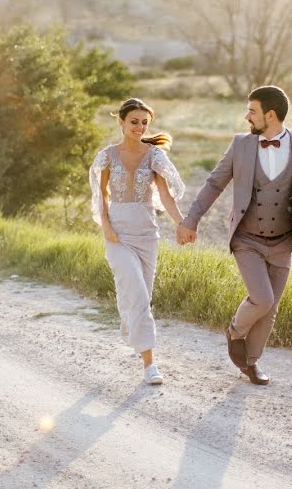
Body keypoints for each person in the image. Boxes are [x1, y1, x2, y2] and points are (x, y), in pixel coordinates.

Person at [176, 86, 292, 385]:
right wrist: (190, 221)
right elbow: (213, 184)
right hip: (248, 239)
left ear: (270, 115)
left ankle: (251, 363)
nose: (247, 116)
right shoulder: (241, 145)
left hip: (284, 241)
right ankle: (235, 331)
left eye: (252, 111)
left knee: (270, 308)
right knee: (262, 298)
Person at [90, 98, 186, 385]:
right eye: (134, 121)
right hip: (118, 234)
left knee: (140, 292)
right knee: (139, 295)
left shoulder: (154, 156)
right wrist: (106, 226)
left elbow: (166, 196)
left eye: (145, 122)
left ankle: (130, 322)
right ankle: (150, 365)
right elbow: (101, 196)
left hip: (147, 234)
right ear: (121, 122)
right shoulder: (107, 156)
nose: (140, 127)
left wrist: (182, 223)